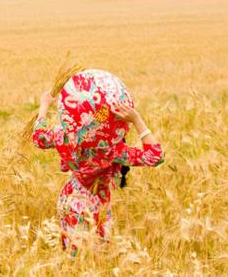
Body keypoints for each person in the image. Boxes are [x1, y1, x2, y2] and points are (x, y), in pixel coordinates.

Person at [32, 69, 164, 255]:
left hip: (69, 201)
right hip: (95, 207)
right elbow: (155, 156)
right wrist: (136, 120)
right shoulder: (111, 150)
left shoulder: (63, 136)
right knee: (96, 260)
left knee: (72, 262)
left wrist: (44, 106)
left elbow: (38, 137)